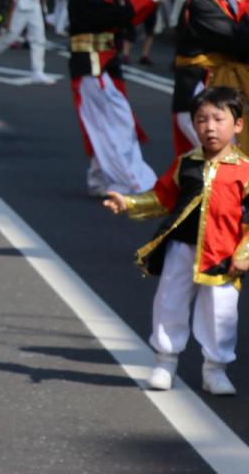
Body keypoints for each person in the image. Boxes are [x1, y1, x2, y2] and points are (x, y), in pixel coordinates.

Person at [103, 86, 249, 395]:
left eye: (218, 119)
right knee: (170, 302)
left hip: (222, 255)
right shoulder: (186, 163)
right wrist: (128, 204)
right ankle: (165, 363)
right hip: (182, 248)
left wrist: (245, 252)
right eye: (201, 119)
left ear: (237, 125)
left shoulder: (245, 171)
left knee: (220, 313)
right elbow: (161, 198)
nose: (209, 127)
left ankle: (215, 369)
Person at [67, 0, 157, 196]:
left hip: (102, 65)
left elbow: (119, 19)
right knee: (115, 123)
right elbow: (116, 17)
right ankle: (126, 180)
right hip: (92, 66)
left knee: (106, 123)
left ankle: (100, 180)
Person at [172, 0, 249, 154]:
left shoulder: (214, 0)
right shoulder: (199, 4)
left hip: (212, 95)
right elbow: (239, 41)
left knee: (224, 165)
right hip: (202, 94)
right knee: (224, 164)